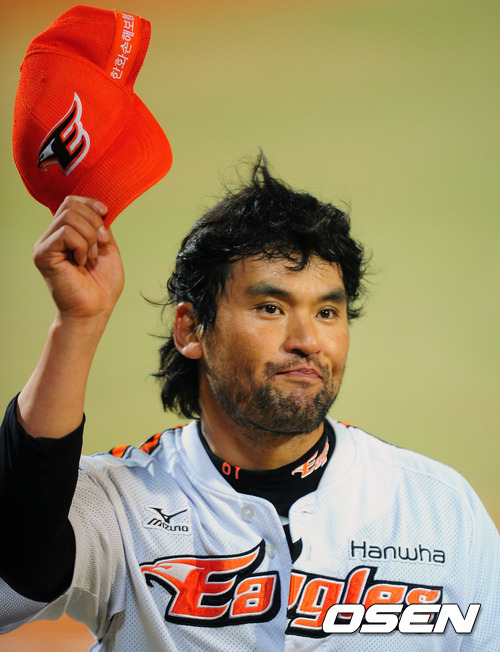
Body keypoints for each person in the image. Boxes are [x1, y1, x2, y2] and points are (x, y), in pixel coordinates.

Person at [0, 157, 498, 650]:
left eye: (327, 312)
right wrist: (78, 323)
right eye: (271, 308)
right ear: (191, 330)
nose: (307, 340)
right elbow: (17, 573)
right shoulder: (119, 505)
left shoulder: (439, 509)